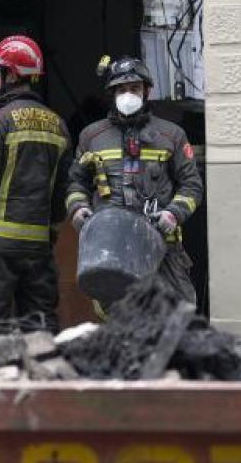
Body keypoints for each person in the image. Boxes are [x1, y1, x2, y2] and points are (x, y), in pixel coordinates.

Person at [0, 35, 71, 334]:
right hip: (38, 249)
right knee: (41, 327)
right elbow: (61, 192)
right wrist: (49, 231)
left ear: (12, 74)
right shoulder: (58, 124)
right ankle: (43, 380)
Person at [66, 55, 204, 303]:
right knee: (121, 321)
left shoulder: (171, 135)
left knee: (175, 315)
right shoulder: (92, 136)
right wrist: (78, 208)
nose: (127, 94)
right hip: (112, 245)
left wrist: (173, 213)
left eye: (134, 88)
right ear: (112, 93)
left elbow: (192, 185)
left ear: (147, 91)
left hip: (161, 244)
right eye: (121, 89)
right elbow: (77, 182)